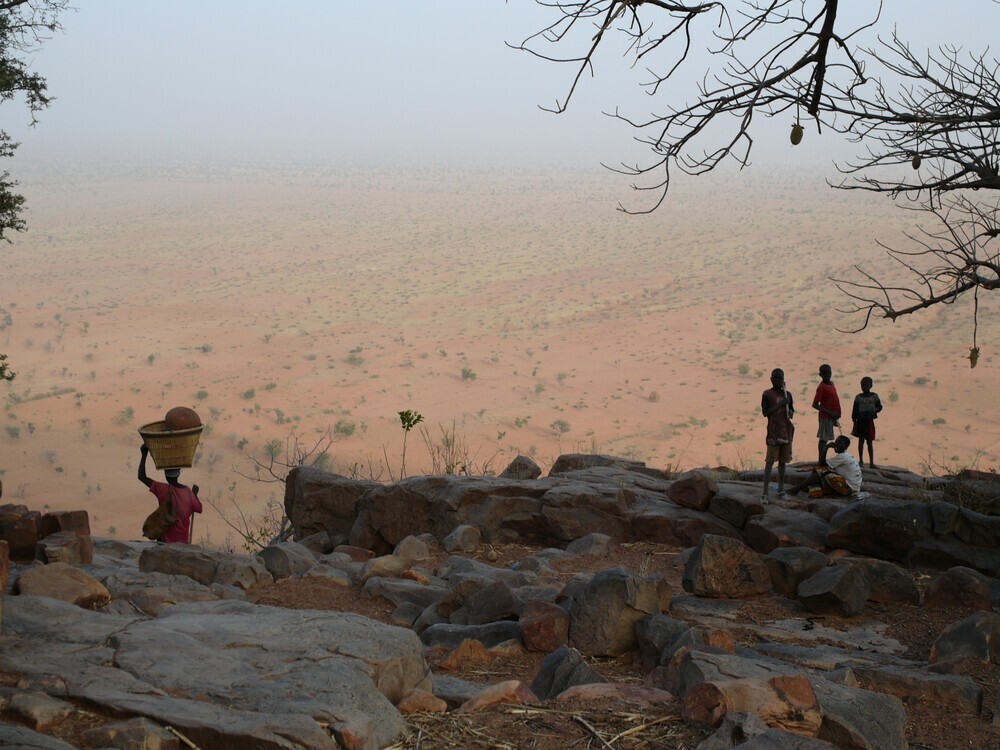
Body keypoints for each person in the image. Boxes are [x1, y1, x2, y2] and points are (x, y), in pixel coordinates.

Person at [138, 444, 202, 543]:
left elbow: (141, 477)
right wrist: (195, 495)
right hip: (182, 543)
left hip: (164, 543)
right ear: (179, 473)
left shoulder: (162, 489)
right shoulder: (188, 493)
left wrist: (144, 454)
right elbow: (199, 508)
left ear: (165, 474)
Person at [788, 435, 862, 497]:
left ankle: (796, 489)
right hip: (852, 488)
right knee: (821, 477)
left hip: (849, 489)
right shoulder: (845, 455)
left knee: (820, 471)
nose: (836, 444)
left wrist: (825, 449)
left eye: (840, 443)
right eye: (836, 442)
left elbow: (822, 465)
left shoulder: (842, 456)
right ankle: (804, 488)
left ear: (845, 446)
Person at [761, 367, 794, 503]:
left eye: (781, 378)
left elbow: (791, 410)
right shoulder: (767, 394)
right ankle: (765, 492)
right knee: (769, 462)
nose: (778, 381)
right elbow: (765, 413)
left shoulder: (788, 395)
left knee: (783, 462)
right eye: (776, 378)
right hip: (773, 433)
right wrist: (781, 405)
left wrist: (790, 410)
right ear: (771, 379)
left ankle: (781, 489)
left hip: (785, 432)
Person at [812, 364, 841, 466]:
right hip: (825, 417)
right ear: (820, 374)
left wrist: (834, 417)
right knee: (823, 439)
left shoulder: (831, 384)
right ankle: (821, 460)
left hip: (831, 418)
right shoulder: (821, 387)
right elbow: (815, 404)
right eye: (825, 373)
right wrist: (830, 413)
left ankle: (823, 459)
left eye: (829, 372)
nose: (827, 374)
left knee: (826, 438)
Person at [851, 376, 883, 468]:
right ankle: (861, 460)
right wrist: (854, 423)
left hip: (869, 422)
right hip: (860, 421)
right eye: (862, 385)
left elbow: (880, 406)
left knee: (869, 441)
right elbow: (854, 411)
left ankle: (871, 462)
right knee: (861, 441)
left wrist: (875, 410)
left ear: (871, 386)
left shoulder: (874, 396)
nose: (864, 387)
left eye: (866, 385)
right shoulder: (858, 397)